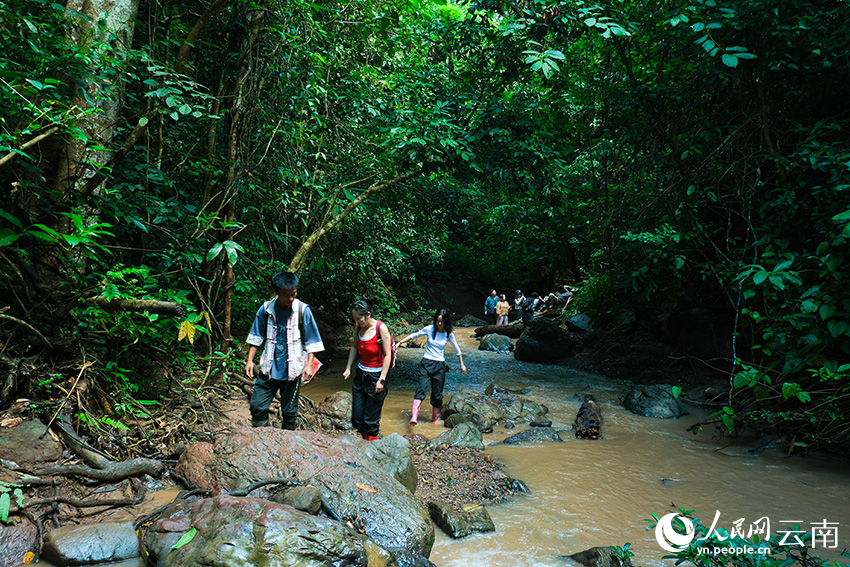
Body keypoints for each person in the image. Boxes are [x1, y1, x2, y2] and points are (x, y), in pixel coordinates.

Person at [245, 271, 324, 429]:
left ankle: (287, 442)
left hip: (292, 370)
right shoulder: (266, 310)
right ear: (277, 292)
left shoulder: (302, 310)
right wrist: (249, 361)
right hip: (269, 368)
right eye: (286, 295)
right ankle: (263, 437)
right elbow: (256, 336)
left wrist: (309, 364)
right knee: (257, 405)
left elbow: (312, 341)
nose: (291, 298)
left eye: (293, 294)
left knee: (289, 412)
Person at [397, 309, 466, 425]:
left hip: (439, 365)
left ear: (446, 322)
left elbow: (457, 350)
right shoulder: (430, 329)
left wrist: (462, 364)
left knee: (437, 394)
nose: (439, 324)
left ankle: (434, 419)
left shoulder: (449, 334)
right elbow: (414, 335)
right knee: (421, 388)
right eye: (438, 321)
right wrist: (399, 343)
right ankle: (414, 417)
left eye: (442, 322)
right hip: (426, 362)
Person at [343, 299, 392, 441]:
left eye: (359, 319)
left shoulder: (381, 328)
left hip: (376, 376)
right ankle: (363, 441)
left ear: (368, 314)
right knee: (357, 418)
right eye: (355, 319)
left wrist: (381, 379)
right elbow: (354, 347)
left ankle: (370, 447)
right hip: (361, 374)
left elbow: (388, 355)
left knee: (371, 419)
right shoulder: (358, 327)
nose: (357, 322)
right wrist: (348, 368)